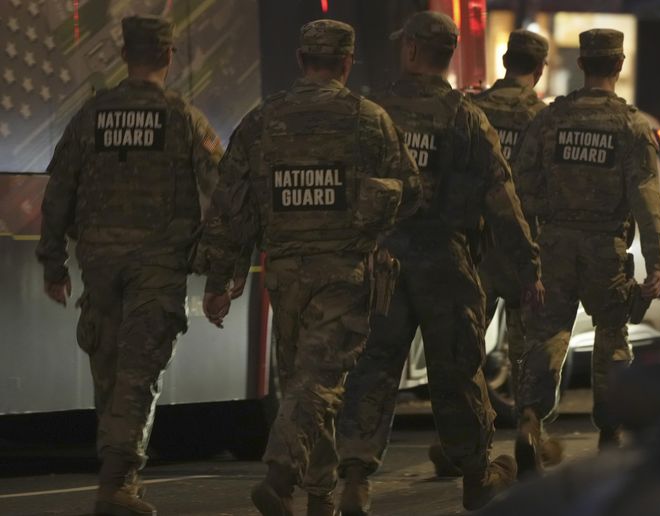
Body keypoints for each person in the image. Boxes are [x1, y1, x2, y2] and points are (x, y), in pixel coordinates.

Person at [197, 19, 422, 516]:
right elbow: (410, 190)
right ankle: (280, 476)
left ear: (301, 61)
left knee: (304, 377)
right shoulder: (370, 119)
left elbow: (230, 206)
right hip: (344, 271)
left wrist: (219, 280)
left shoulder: (261, 120)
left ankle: (319, 494)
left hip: (284, 271)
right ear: (346, 63)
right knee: (318, 382)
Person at [335, 11, 545, 514]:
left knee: (373, 369)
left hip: (384, 258)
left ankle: (356, 481)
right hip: (446, 261)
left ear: (410, 49)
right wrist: (528, 266)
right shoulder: (466, 117)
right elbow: (501, 197)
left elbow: (345, 189)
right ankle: (475, 479)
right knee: (457, 372)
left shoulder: (372, 111)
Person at [35, 15, 222, 516]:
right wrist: (222, 268)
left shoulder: (90, 114)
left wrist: (54, 264)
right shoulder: (183, 117)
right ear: (168, 57)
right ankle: (117, 483)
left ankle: (116, 478)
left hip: (98, 263)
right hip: (157, 265)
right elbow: (221, 192)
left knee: (110, 369)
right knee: (138, 373)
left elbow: (58, 194)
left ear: (124, 55)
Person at [512, 28, 660, 472]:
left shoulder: (549, 119)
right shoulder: (631, 125)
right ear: (619, 65)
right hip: (605, 246)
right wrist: (656, 263)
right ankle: (611, 434)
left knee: (548, 333)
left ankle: (529, 418)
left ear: (581, 65)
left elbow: (522, 183)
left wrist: (550, 216)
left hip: (555, 241)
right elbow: (645, 197)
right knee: (613, 335)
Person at [427, 28, 559, 478]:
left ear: (504, 61)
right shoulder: (545, 118)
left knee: (465, 347)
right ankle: (527, 426)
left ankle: (459, 444)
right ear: (539, 70)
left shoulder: (470, 109)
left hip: (477, 245)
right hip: (526, 246)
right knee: (527, 345)